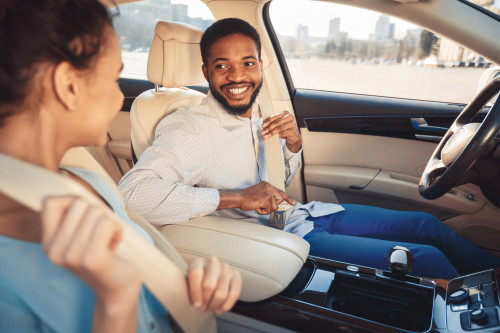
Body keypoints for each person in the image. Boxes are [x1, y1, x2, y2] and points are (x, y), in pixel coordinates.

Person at [119, 18, 500, 279]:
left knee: (426, 224)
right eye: (222, 66)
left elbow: (274, 184)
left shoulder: (250, 111)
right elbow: (133, 195)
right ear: (206, 72)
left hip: (303, 214)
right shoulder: (189, 127)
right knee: (427, 260)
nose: (237, 76)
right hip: (280, 238)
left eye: (247, 63)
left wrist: (292, 147)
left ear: (260, 66)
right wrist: (235, 198)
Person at [0, 1, 242, 332]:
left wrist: (184, 291)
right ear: (68, 85)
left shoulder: (90, 183)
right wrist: (115, 300)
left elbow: (148, 291)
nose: (119, 99)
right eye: (115, 77)